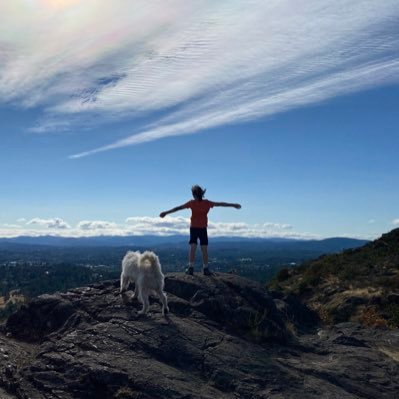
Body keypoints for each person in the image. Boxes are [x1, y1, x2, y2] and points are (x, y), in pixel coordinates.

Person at [159, 185, 241, 275]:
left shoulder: (192, 203)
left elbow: (178, 208)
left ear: (194, 194)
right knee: (204, 249)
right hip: (202, 229)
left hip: (194, 228)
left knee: (193, 248)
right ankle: (205, 268)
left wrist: (166, 213)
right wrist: (233, 205)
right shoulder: (206, 203)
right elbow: (220, 204)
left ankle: (191, 268)